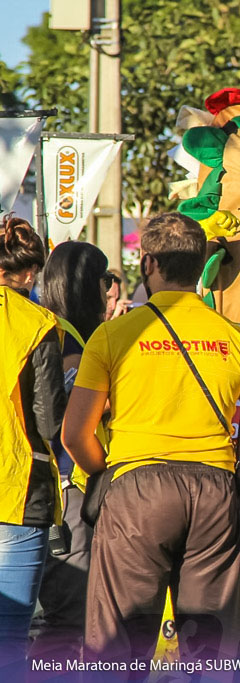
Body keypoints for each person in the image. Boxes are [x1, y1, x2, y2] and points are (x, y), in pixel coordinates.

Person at [61, 212, 240, 664]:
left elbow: (74, 434)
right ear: (201, 262)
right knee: (213, 644)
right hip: (214, 491)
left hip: (137, 489)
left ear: (148, 263)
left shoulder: (113, 334)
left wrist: (105, 475)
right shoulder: (237, 339)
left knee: (119, 644)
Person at [30, 241, 110, 660]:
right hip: (65, 491)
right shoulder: (69, 345)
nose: (112, 291)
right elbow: (71, 430)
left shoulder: (40, 329)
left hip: (37, 488)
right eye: (106, 280)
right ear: (85, 286)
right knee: (67, 614)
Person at [0, 216, 66, 675]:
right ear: (28, 273)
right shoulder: (39, 324)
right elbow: (48, 419)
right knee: (9, 633)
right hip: (18, 489)